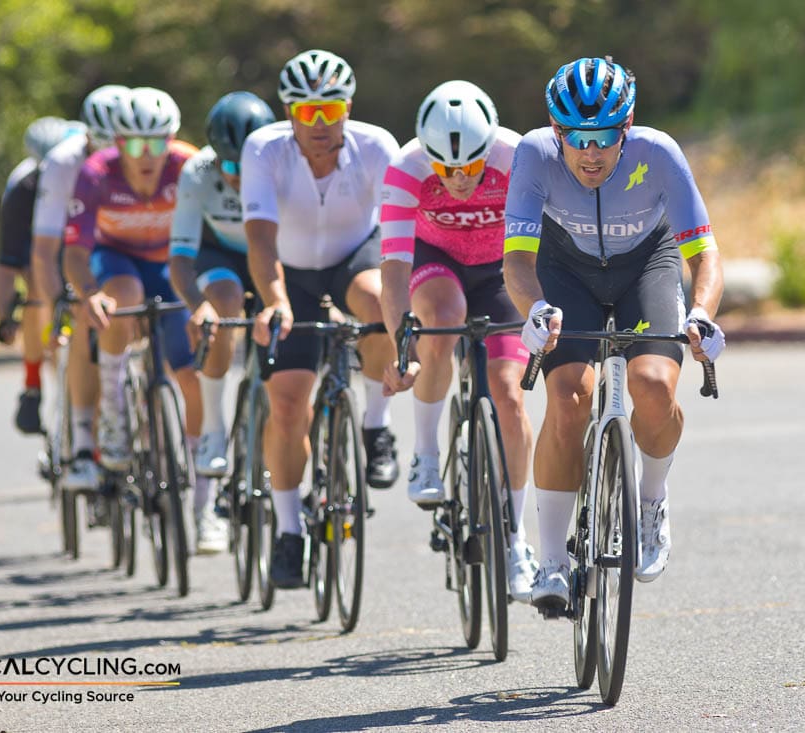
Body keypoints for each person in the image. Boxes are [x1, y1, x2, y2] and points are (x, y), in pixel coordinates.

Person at [503, 56, 726, 609]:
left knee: (652, 386)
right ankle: (552, 560)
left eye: (605, 136)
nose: (590, 152)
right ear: (556, 131)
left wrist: (700, 314)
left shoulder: (659, 153)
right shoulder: (533, 153)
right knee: (569, 395)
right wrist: (534, 310)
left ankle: (651, 501)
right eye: (575, 138)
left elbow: (705, 253)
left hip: (646, 266)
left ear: (626, 128)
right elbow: (517, 261)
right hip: (565, 269)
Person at [241, 49, 400, 589]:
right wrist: (276, 301)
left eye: (330, 111)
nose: (320, 124)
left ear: (346, 109)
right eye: (307, 113)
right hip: (289, 272)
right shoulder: (263, 150)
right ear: (289, 113)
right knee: (286, 406)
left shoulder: (377, 147)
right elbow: (260, 239)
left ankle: (376, 427)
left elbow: (402, 233)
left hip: (354, 258)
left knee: (381, 305)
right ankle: (289, 530)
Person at [378, 80, 539, 601]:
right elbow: (395, 270)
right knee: (442, 321)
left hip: (501, 269)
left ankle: (516, 539)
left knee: (509, 394)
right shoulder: (406, 168)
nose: (460, 179)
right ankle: (426, 451)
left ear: (488, 148)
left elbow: (549, 246)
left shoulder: (516, 156)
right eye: (446, 170)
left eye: (470, 167)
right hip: (436, 261)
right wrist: (400, 347)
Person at [62, 87, 201, 481]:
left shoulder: (189, 166)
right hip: (115, 260)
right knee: (121, 300)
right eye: (134, 143)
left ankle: (200, 480)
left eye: (157, 143)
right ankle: (112, 412)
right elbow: (73, 252)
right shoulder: (96, 173)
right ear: (118, 142)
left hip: (170, 264)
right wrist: (90, 295)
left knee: (189, 372)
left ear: (171, 141)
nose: (145, 154)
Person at [168, 90, 276, 554]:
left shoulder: (281, 162)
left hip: (273, 252)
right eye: (229, 168)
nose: (237, 179)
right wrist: (198, 305)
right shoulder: (198, 172)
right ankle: (213, 427)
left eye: (246, 168)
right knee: (226, 304)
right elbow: (179, 258)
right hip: (222, 257)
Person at [31, 84, 130, 490]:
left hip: (121, 245)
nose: (107, 157)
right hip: (73, 247)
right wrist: (61, 304)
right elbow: (44, 250)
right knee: (83, 322)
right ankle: (83, 443)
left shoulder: (142, 159)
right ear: (85, 137)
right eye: (99, 146)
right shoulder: (62, 163)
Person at [0, 116, 86, 435]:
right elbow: (7, 264)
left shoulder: (82, 169)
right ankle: (33, 384)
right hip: (39, 244)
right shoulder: (22, 187)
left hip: (77, 242)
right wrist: (5, 316)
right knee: (35, 285)